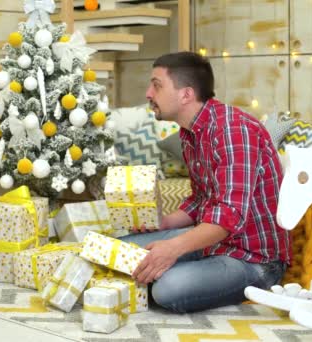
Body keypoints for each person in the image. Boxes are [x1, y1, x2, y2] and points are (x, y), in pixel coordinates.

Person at [120, 51, 291, 313]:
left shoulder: (234, 130)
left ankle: (182, 271)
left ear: (186, 94)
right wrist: (163, 224)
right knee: (122, 250)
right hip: (213, 243)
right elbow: (201, 200)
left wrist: (171, 249)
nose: (148, 94)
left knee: (167, 288)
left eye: (157, 85)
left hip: (254, 260)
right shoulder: (190, 134)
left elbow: (227, 217)